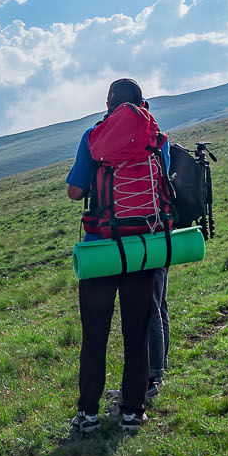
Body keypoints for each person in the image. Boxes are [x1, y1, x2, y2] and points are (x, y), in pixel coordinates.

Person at [62, 77, 173, 434]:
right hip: (142, 247)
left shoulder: (93, 136)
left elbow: (75, 192)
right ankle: (132, 412)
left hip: (101, 248)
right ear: (143, 103)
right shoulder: (157, 138)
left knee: (95, 332)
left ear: (108, 103)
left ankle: (89, 415)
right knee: (136, 331)